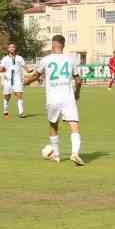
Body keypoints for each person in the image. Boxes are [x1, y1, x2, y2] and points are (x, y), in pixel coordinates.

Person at [23, 34, 84, 165]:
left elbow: (36, 76)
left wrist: (27, 82)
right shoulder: (70, 59)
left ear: (53, 44)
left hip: (52, 98)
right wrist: (77, 94)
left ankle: (56, 156)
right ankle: (75, 153)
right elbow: (78, 81)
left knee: (53, 125)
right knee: (73, 124)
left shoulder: (45, 60)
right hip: (68, 97)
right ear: (64, 45)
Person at [0, 43, 27, 118]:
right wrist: (2, 69)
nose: (11, 48)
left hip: (17, 80)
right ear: (8, 49)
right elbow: (0, 69)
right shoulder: (5, 59)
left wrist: (30, 70)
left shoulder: (19, 58)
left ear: (15, 48)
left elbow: (25, 67)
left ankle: (21, 113)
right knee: (7, 97)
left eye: (13, 47)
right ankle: (5, 112)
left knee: (19, 95)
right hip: (8, 80)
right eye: (10, 47)